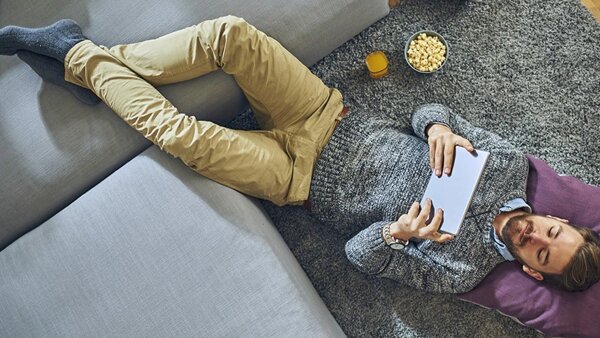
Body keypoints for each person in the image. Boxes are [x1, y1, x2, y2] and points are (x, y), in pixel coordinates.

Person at [2, 16, 599, 293]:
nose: (535, 234)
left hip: (295, 179)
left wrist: (394, 234)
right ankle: (82, 56)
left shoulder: (464, 270)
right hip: (324, 113)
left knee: (182, 136)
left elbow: (361, 259)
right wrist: (440, 127)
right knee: (233, 34)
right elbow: (425, 115)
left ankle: (76, 55)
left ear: (530, 271)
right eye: (553, 229)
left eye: (542, 253)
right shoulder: (508, 164)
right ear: (561, 217)